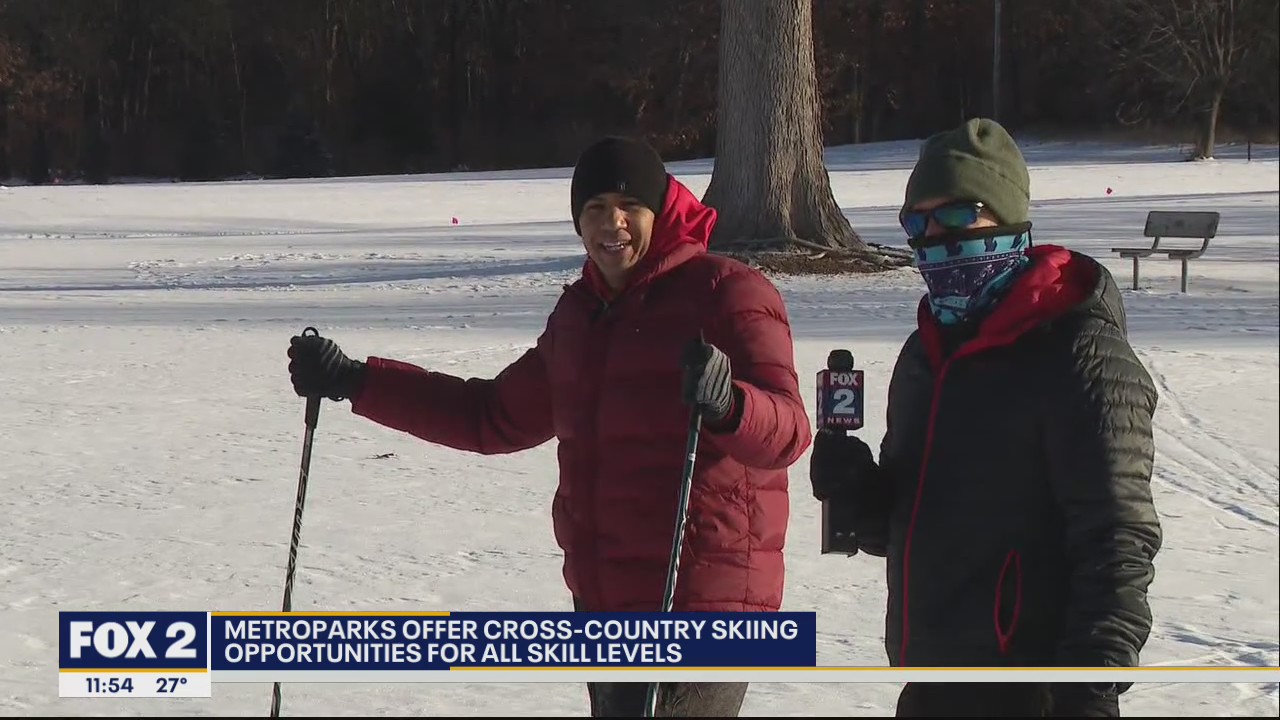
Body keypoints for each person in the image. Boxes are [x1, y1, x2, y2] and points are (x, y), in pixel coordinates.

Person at [287, 136, 812, 717]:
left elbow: (788, 432)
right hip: (606, 608)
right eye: (593, 209)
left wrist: (729, 404)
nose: (612, 223)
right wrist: (357, 381)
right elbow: (490, 417)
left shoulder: (728, 292)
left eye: (628, 205)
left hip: (704, 608)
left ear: (659, 212)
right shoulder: (580, 316)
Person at [808, 118, 1163, 717]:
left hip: (1037, 693)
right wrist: (858, 492)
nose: (934, 238)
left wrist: (1089, 692)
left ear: (1007, 218)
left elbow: (1117, 542)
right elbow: (904, 524)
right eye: (918, 223)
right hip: (932, 683)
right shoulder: (925, 354)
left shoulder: (1080, 353)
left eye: (956, 216)